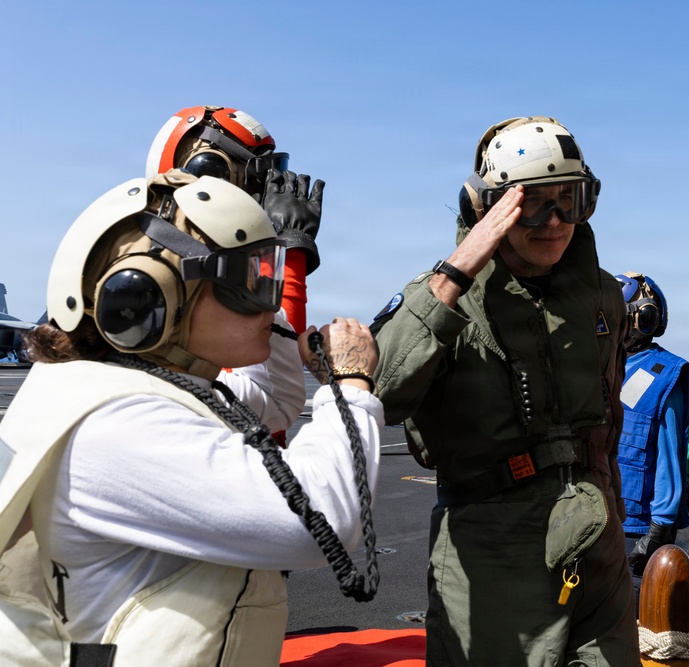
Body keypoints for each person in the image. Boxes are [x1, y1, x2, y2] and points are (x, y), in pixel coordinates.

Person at [0, 171, 382, 666]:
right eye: (247, 281)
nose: (267, 300)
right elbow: (319, 520)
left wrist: (278, 268)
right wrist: (350, 382)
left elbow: (276, 400)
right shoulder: (115, 424)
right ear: (151, 297)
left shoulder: (130, 383)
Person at [371, 116, 638, 666]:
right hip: (492, 550)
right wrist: (457, 272)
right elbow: (381, 392)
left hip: (598, 542)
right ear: (485, 207)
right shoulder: (442, 299)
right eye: (531, 203)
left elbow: (607, 418)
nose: (554, 221)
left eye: (569, 199)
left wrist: (611, 513)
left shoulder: (603, 298)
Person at [146, 104, 323, 336]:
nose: (266, 193)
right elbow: (281, 347)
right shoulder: (187, 272)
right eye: (259, 179)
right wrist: (291, 250)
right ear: (211, 173)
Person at [614, 272, 689, 598]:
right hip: (595, 518)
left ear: (643, 318)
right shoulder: (600, 367)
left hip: (637, 528)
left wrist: (660, 527)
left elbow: (670, 456)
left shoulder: (663, 375)